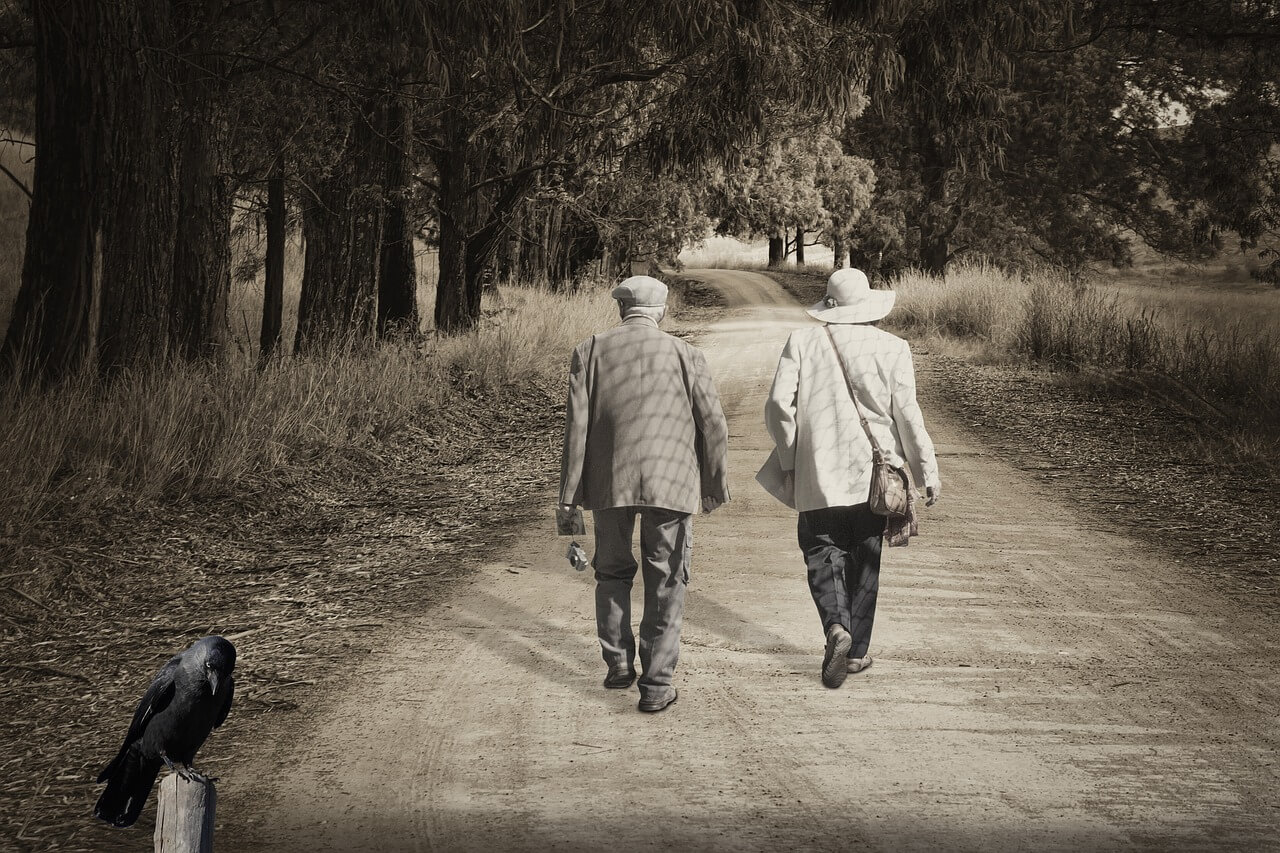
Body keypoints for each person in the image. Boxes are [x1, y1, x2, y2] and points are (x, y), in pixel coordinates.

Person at [559, 275, 730, 713]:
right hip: (671, 482)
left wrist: (569, 497)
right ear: (662, 312)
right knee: (667, 579)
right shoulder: (687, 354)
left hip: (608, 482)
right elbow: (713, 424)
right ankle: (656, 685)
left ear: (621, 309)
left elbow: (576, 429)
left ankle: (618, 663)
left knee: (611, 572)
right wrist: (713, 485)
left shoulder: (590, 350)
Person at [763, 267, 941, 689]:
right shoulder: (893, 347)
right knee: (865, 556)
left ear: (830, 305)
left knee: (821, 548)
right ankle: (857, 651)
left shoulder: (803, 342)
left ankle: (835, 628)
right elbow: (908, 416)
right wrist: (926, 472)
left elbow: (778, 405)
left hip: (818, 470)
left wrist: (791, 456)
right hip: (875, 475)